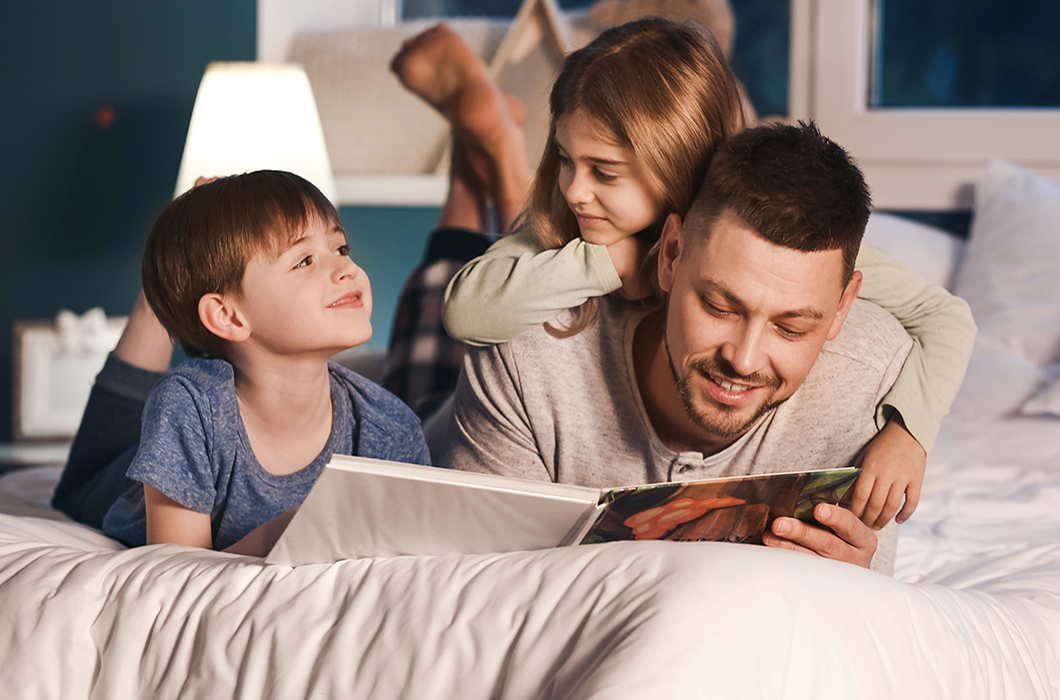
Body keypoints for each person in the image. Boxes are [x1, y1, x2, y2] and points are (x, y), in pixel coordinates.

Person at [432, 18, 976, 530]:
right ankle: (484, 153)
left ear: (673, 164)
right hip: (449, 420)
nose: (575, 189)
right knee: (424, 356)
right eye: (566, 159)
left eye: (604, 171)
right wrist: (606, 261)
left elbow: (945, 317)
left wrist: (910, 433)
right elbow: (463, 312)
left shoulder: (764, 244)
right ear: (670, 251)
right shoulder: (578, 223)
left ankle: (484, 153)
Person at [52, 171, 430, 556]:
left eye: (342, 249)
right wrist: (283, 535)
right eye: (304, 261)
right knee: (115, 424)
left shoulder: (389, 427)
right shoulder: (188, 407)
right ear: (229, 317)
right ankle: (170, 280)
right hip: (105, 482)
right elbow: (175, 572)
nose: (347, 269)